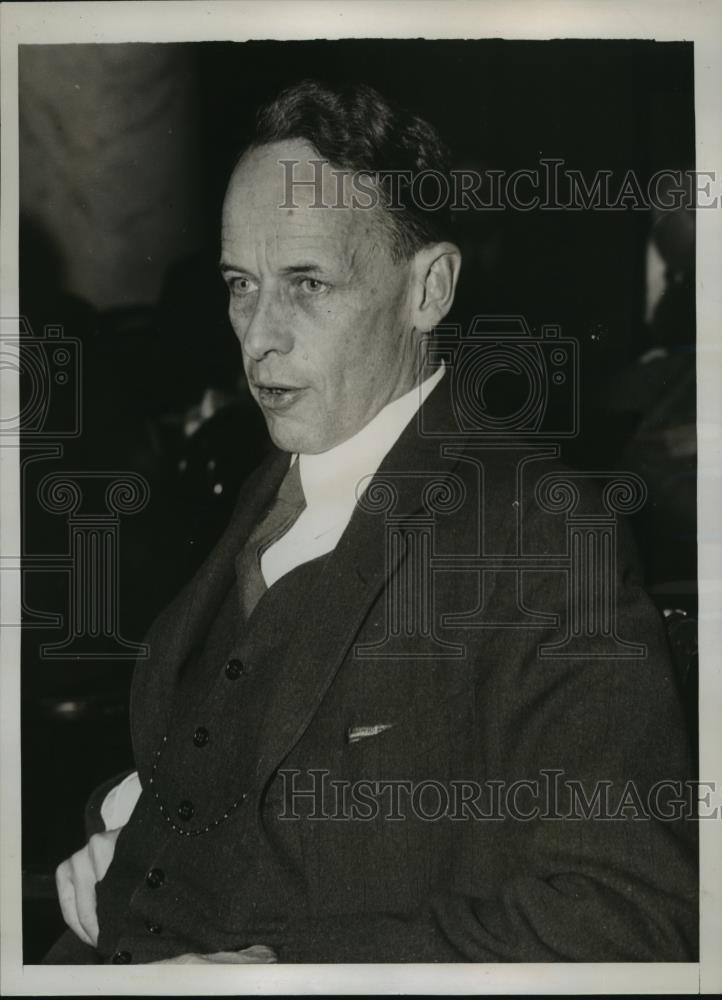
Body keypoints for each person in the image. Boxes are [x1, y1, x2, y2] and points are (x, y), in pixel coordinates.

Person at [44, 80, 697, 964]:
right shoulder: (268, 479)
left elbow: (631, 915)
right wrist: (126, 814)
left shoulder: (542, 531)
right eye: (242, 285)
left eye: (307, 283)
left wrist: (288, 979)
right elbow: (232, 729)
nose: (258, 337)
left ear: (429, 288)